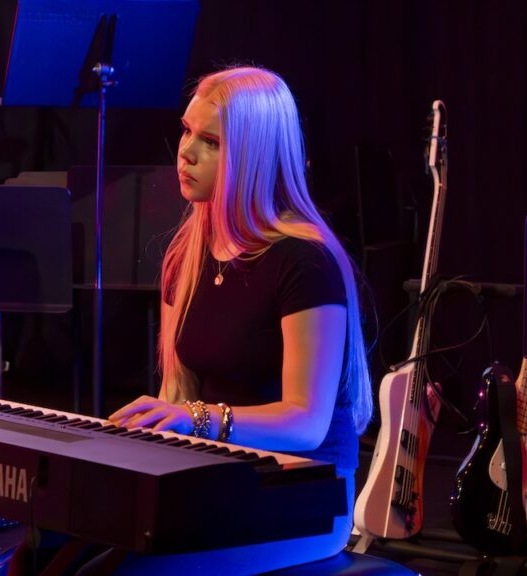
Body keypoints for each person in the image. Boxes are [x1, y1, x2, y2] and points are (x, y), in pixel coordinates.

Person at [97, 66, 374, 574]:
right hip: (219, 479)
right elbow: (175, 397)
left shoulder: (304, 261)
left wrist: (197, 418)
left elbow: (306, 423)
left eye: (210, 142)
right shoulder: (186, 256)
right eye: (186, 130)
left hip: (305, 496)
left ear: (254, 157)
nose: (185, 152)